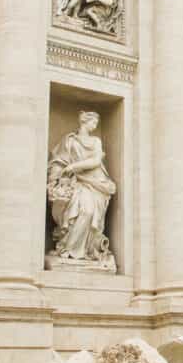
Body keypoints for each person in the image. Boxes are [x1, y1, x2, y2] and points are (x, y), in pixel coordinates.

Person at [48, 111, 117, 264]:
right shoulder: (69, 141)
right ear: (85, 122)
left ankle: (81, 249)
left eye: (97, 124)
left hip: (94, 182)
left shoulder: (95, 141)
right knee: (81, 212)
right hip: (75, 182)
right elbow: (59, 160)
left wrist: (74, 166)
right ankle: (67, 248)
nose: (95, 126)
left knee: (89, 211)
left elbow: (95, 161)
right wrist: (57, 177)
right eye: (93, 123)